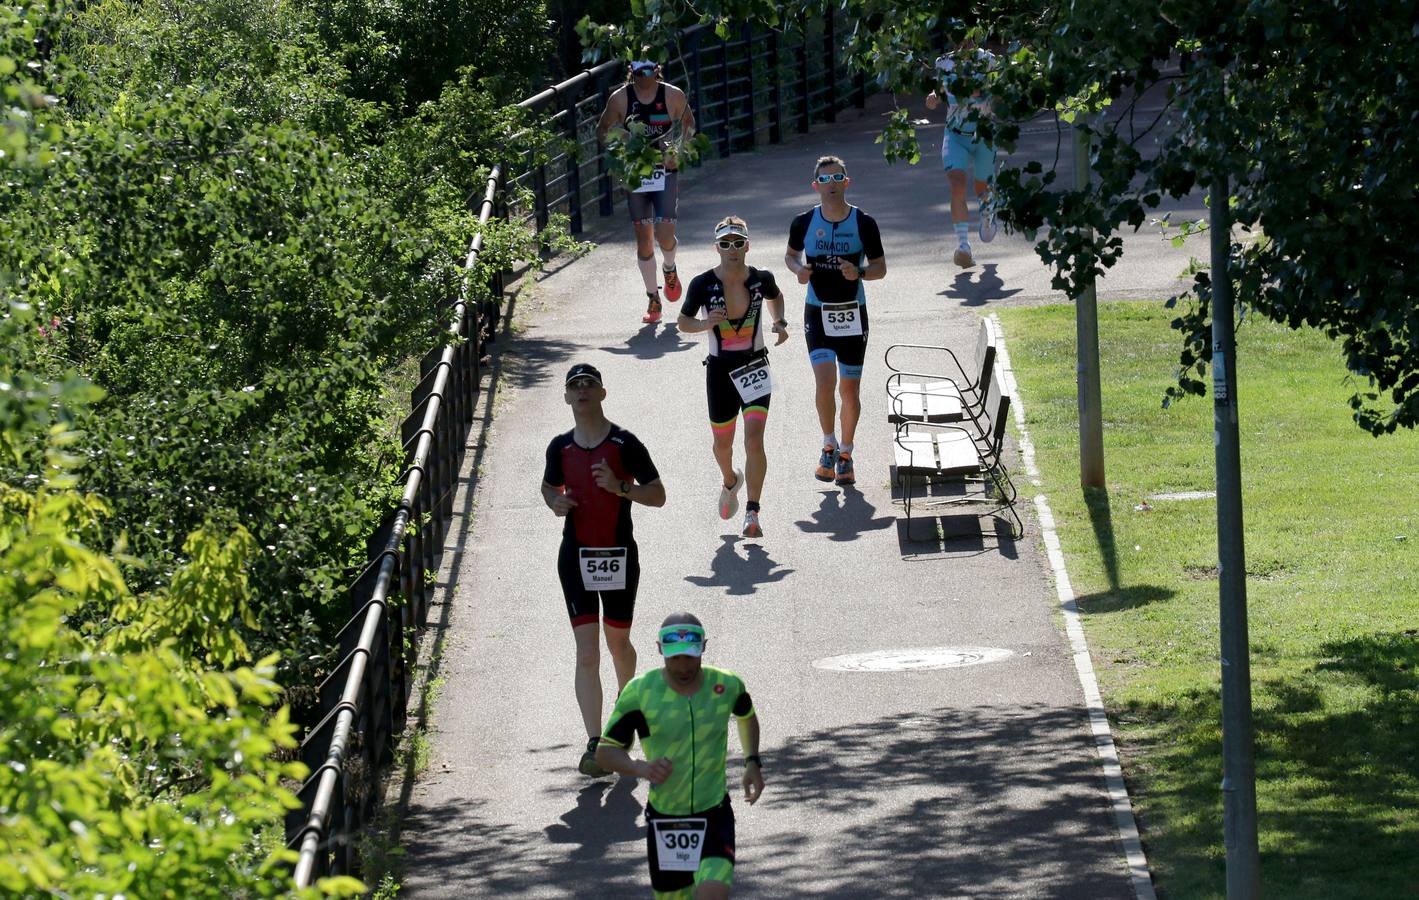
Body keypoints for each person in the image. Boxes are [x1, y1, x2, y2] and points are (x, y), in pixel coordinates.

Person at [542, 363, 667, 777]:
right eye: (574, 386)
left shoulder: (625, 443)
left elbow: (659, 495)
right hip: (575, 559)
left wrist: (621, 488)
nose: (581, 391)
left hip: (619, 558)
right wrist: (553, 501)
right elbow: (549, 485)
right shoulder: (559, 448)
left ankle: (624, 711)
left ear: (602, 393)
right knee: (587, 653)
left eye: (589, 384)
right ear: (566, 398)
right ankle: (596, 743)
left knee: (618, 645)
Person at [596, 613, 764, 900]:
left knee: (712, 892)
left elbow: (746, 716)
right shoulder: (640, 692)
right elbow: (605, 752)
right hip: (666, 821)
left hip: (714, 814)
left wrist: (752, 762)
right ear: (660, 649)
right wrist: (640, 768)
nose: (683, 666)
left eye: (690, 657)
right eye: (674, 658)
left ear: (704, 648)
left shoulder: (725, 686)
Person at [677, 216, 788, 539]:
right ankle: (730, 480)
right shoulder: (702, 284)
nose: (732, 249)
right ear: (717, 248)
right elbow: (683, 322)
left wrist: (779, 322)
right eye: (725, 244)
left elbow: (775, 296)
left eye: (738, 243)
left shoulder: (760, 278)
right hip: (719, 372)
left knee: (754, 439)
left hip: (755, 366)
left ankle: (753, 512)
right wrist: (705, 324)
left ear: (747, 246)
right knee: (722, 445)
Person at [784, 155, 886, 487]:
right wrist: (799, 270)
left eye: (836, 178)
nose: (830, 185)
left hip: (853, 314)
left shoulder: (864, 223)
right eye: (824, 180)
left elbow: (880, 268)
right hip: (818, 312)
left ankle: (846, 453)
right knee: (825, 383)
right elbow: (790, 255)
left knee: (850, 389)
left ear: (846, 181)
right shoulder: (803, 222)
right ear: (815, 186)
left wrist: (860, 272)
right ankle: (827, 444)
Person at [596, 57, 697, 325]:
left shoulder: (672, 95)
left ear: (657, 71)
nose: (643, 76)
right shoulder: (620, 99)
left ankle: (670, 267)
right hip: (637, 173)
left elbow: (689, 124)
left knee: (665, 236)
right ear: (632, 72)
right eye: (638, 71)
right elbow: (603, 130)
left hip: (665, 171)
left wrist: (679, 150)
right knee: (643, 239)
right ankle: (653, 297)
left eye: (649, 70)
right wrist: (621, 150)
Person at [926, 41, 999, 269]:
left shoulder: (988, 60)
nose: (963, 41)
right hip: (955, 134)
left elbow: (995, 92)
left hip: (983, 134)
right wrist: (933, 97)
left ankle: (987, 216)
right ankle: (963, 246)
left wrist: (976, 90)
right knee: (957, 184)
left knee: (982, 189)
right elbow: (940, 89)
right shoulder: (944, 62)